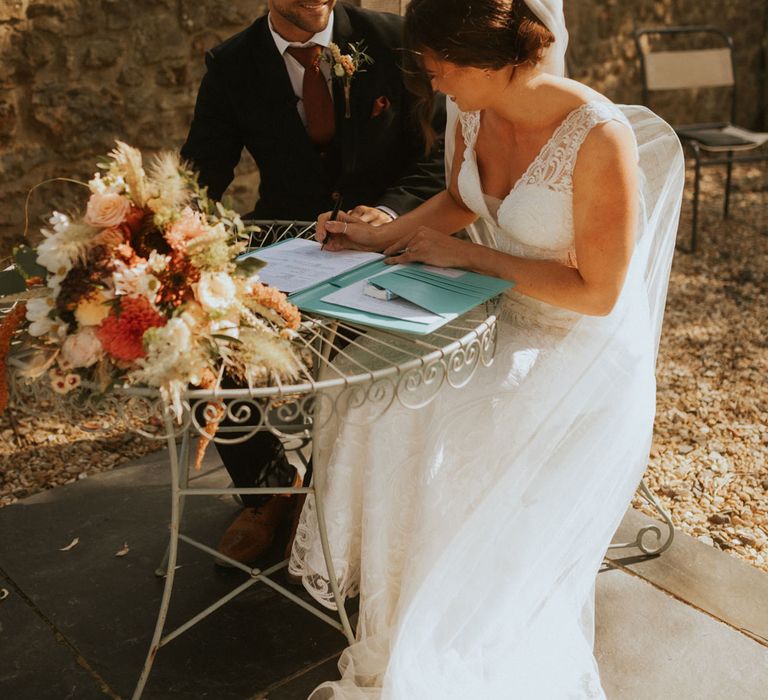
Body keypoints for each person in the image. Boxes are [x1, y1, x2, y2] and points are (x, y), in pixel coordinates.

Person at [287, 0, 685, 697]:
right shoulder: (474, 109)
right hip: (494, 319)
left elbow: (598, 293)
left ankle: (445, 621)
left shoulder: (598, 138)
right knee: (367, 394)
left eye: (441, 72)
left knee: (446, 427)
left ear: (489, 60)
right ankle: (400, 598)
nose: (435, 87)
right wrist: (381, 235)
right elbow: (459, 203)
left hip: (580, 351)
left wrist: (470, 263)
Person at [180, 0, 446, 566]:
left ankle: (346, 493)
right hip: (288, 243)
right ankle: (268, 488)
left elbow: (440, 156)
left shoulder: (395, 40)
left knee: (374, 373)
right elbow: (199, 178)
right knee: (197, 336)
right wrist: (171, 239)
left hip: (393, 243)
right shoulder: (232, 64)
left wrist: (387, 214)